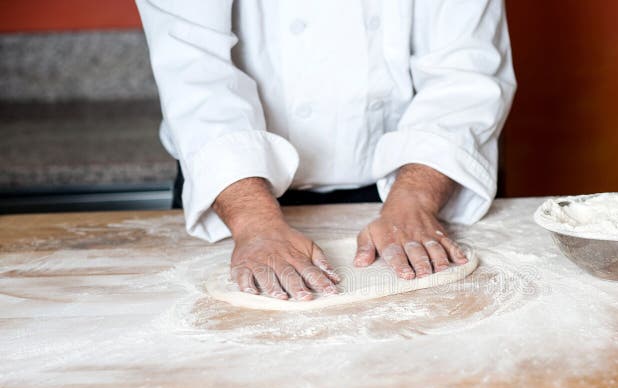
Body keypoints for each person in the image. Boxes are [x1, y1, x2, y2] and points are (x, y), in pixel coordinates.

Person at [137, 0, 516, 301]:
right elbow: (194, 72)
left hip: (413, 182)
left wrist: (416, 198)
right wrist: (253, 223)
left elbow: (466, 69)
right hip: (231, 187)